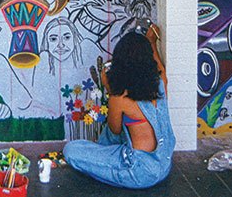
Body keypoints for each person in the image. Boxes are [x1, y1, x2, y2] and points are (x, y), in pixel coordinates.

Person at [63, 27, 175, 189]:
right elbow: (159, 67)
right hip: (163, 166)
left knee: (71, 150)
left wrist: (108, 88)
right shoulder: (160, 83)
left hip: (139, 172)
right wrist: (151, 42)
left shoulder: (120, 97)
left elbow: (114, 130)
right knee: (125, 128)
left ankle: (104, 154)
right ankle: (105, 152)